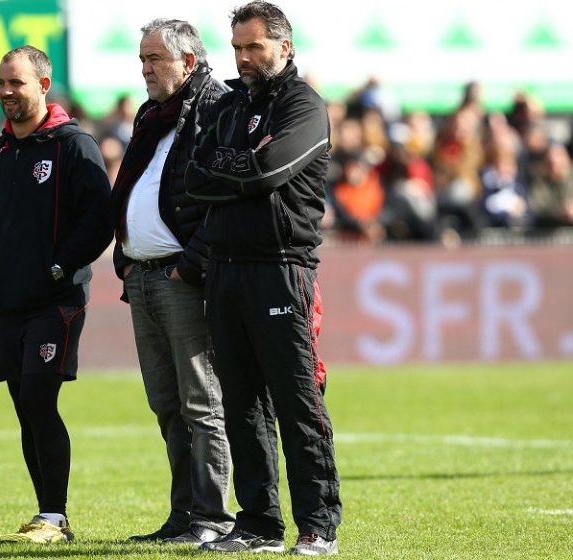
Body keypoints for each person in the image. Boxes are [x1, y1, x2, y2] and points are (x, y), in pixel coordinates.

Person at [185, 2, 341, 555]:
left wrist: (239, 170)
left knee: (297, 400)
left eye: (254, 47)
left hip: (280, 268)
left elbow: (270, 171)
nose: (244, 58)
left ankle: (319, 525)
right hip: (224, 269)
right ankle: (258, 524)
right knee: (240, 404)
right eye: (237, 48)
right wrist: (242, 168)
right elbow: (192, 178)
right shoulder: (228, 107)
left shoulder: (304, 105)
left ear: (285, 46)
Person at [0, 45, 113, 545]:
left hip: (57, 301)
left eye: (17, 83)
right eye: (2, 83)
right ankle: (45, 514)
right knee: (24, 408)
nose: (7, 92)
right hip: (5, 304)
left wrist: (59, 267)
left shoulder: (73, 147)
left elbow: (99, 220)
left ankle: (55, 516)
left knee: (38, 398)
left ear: (43, 86)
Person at [110, 18, 233, 547]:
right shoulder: (151, 115)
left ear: (188, 61)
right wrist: (127, 260)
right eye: (142, 59)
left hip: (182, 278)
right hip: (143, 276)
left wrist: (191, 264)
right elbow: (133, 187)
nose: (145, 69)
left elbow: (223, 198)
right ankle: (184, 516)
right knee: (166, 403)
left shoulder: (217, 106)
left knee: (201, 403)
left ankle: (213, 517)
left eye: (154, 59)